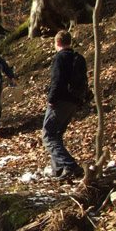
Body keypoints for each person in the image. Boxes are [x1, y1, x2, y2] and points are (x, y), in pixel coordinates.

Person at [42, 30, 87, 180]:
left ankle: (70, 165)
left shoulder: (60, 58)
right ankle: (59, 170)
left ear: (57, 43)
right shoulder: (78, 58)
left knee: (48, 135)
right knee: (57, 134)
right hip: (73, 101)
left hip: (60, 101)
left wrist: (51, 98)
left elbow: (57, 80)